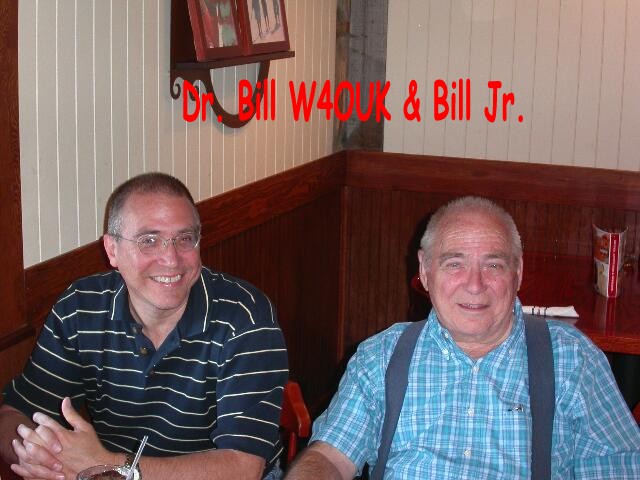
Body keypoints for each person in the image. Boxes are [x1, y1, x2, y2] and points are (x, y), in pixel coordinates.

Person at [285, 196, 640, 479]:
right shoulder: (381, 357)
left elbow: (617, 468)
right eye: (454, 263)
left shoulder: (573, 360)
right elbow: (329, 457)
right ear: (425, 271)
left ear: (518, 272)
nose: (474, 284)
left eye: (493, 265)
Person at [0, 173, 288, 480]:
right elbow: (13, 414)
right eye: (148, 241)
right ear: (112, 250)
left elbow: (243, 468)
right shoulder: (81, 307)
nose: (171, 259)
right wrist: (36, 455)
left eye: (184, 238)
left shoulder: (245, 317)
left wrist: (108, 464)